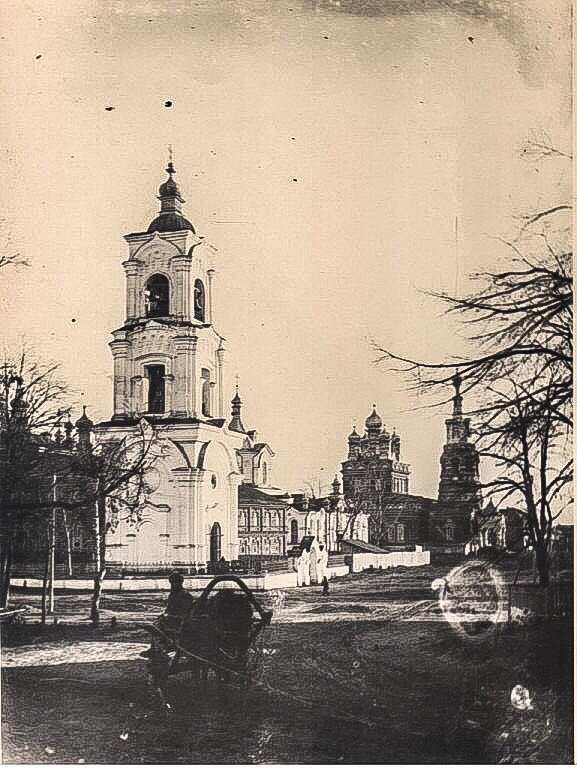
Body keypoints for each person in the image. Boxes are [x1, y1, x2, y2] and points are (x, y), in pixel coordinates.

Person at [140, 571, 195, 658]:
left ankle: (159, 650)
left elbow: (186, 612)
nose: (174, 585)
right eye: (172, 583)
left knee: (157, 627)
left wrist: (169, 616)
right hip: (172, 619)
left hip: (180, 621)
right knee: (155, 625)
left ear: (180, 583)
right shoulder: (173, 594)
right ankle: (154, 648)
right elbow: (169, 609)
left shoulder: (185, 595)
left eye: (176, 582)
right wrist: (164, 614)